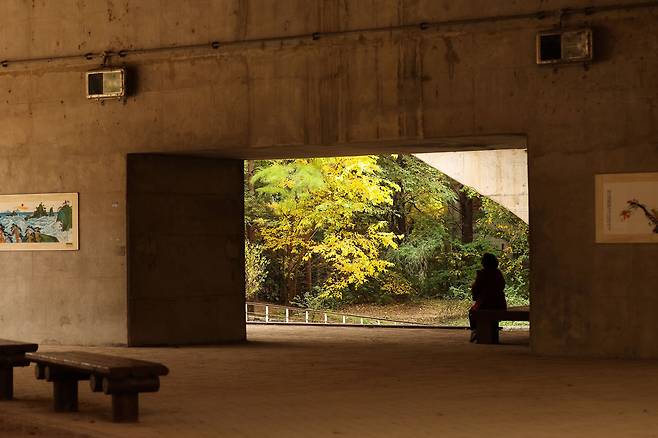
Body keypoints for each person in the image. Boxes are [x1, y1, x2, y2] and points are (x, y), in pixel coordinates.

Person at [469, 253, 506, 342]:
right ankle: (488, 333)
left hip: (485, 304)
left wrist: (476, 297)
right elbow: (502, 286)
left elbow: (476, 289)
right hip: (500, 304)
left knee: (472, 312)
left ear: (484, 263)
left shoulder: (482, 274)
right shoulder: (498, 273)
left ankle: (475, 330)